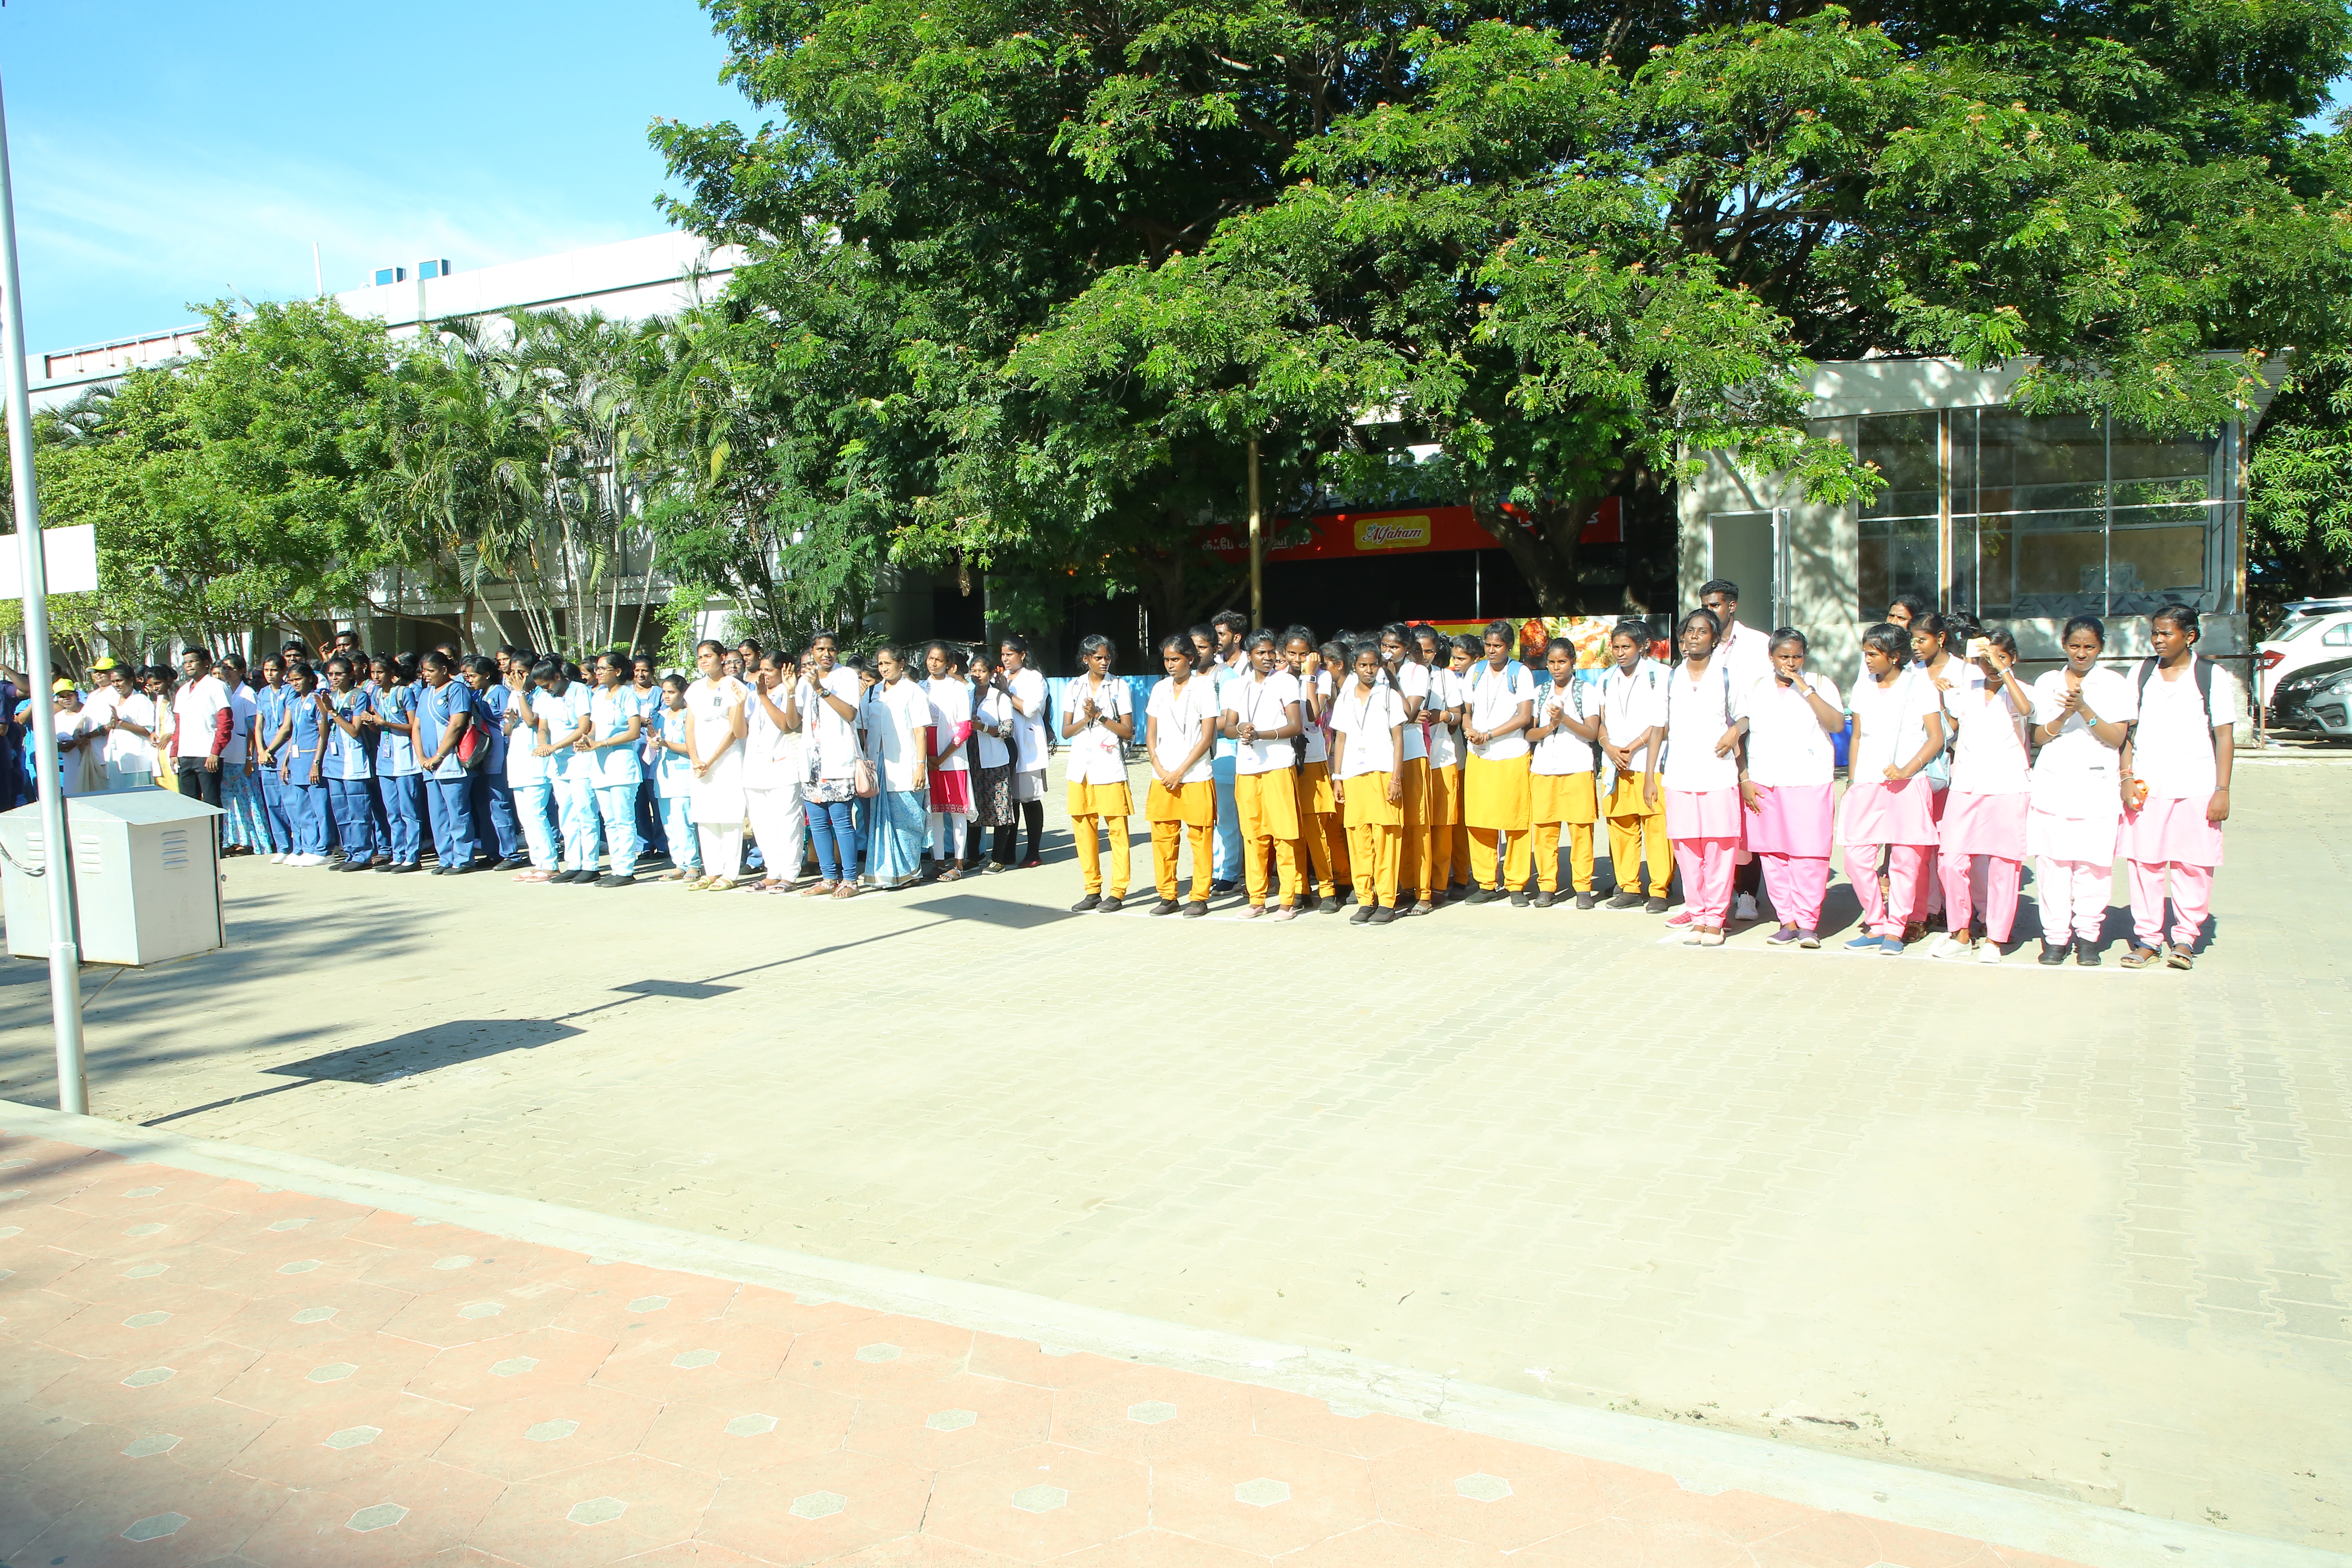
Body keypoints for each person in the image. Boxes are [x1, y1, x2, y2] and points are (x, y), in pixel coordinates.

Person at [2119, 604, 2236, 970]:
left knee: (2194, 866)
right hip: (2147, 787)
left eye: (2166, 633)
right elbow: (2126, 732)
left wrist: (2223, 789)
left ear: (2190, 636)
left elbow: (2225, 735)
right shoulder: (2141, 673)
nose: (2158, 640)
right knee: (2145, 865)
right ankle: (2148, 939)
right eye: (2155, 633)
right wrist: (2125, 778)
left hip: (2197, 787)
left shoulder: (2211, 675)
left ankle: (2186, 938)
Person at [2027, 615, 2134, 966]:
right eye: (2075, 646)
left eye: (2090, 647)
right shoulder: (2047, 682)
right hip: (2053, 785)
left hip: (2097, 788)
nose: (2082, 653)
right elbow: (2038, 737)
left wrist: (2085, 710)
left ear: (2101, 647)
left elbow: (2117, 738)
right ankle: (2056, 938)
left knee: (2094, 866)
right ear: (2064, 645)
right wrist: (2062, 715)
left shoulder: (2114, 683)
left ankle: (2088, 936)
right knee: (2054, 865)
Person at [1840, 622, 1946, 954]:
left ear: (1895, 656)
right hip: (1869, 783)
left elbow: (1936, 738)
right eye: (1866, 653)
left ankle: (1895, 930)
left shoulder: (1921, 687)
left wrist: (1906, 770)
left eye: (1874, 654)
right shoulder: (1862, 687)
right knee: (1856, 857)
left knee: (1906, 862)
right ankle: (1876, 923)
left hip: (1909, 784)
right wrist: (1853, 780)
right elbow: (1856, 736)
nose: (1868, 660)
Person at [1931, 627, 2033, 964]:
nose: (1992, 664)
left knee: (2005, 864)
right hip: (1967, 785)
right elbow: (1953, 727)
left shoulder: (2022, 691)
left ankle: (1995, 938)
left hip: (2008, 786)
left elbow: (2027, 709)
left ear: (2013, 658)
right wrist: (1943, 697)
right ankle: (1960, 932)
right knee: (1951, 860)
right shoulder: (1967, 691)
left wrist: (2003, 671)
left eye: (2001, 657)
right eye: (1987, 657)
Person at [1740, 630, 1843, 947]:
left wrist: (1805, 688)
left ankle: (1809, 923)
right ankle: (1787, 921)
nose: (1790, 663)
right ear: (1771, 656)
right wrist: (1745, 779)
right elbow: (1742, 733)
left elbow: (1836, 724)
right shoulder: (1756, 687)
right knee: (1773, 855)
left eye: (1796, 656)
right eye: (1783, 657)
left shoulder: (1821, 684)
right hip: (1765, 782)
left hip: (1808, 780)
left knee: (1809, 854)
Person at [1659, 610, 1745, 945]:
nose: (1695, 636)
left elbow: (1745, 717)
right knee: (1687, 850)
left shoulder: (1726, 675)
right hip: (1679, 775)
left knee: (1720, 848)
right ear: (1683, 639)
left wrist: (1735, 732)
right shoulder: (1671, 678)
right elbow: (1657, 728)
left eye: (1703, 631)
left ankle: (1716, 919)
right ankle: (1697, 916)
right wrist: (1654, 776)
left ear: (1715, 638)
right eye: (1690, 631)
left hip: (1719, 774)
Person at [1329, 639, 1408, 923]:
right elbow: (1340, 739)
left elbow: (1399, 739)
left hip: (1384, 772)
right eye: (1363, 665)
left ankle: (1387, 901)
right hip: (1353, 774)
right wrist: (1337, 778)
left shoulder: (1388, 697)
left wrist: (1397, 778)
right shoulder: (1345, 697)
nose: (1369, 670)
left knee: (1386, 837)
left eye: (1374, 665)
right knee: (1358, 837)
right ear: (1354, 666)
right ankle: (1365, 900)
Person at [1143, 632, 1220, 915]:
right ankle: (1168, 895)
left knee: (1200, 836)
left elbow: (1207, 737)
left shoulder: (1204, 688)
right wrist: (1160, 767)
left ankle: (1199, 896)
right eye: (1166, 660)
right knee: (1163, 836)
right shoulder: (1160, 689)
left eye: (1176, 659)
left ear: (1191, 658)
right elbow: (1150, 733)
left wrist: (1181, 771)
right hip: (1162, 774)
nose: (1170, 665)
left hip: (1196, 774)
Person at [1461, 619, 1536, 904]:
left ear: (1509, 647)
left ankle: (1517, 885)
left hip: (1512, 753)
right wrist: (1471, 730)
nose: (1492, 651)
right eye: (1488, 645)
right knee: (1480, 820)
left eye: (1498, 646)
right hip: (1479, 754)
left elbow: (1524, 716)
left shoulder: (1521, 673)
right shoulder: (1475, 672)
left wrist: (1489, 734)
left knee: (1515, 820)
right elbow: (1466, 710)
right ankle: (1486, 883)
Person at [1598, 622, 1670, 911]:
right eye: (1616, 647)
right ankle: (1629, 886)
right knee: (1621, 825)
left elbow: (1663, 722)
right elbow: (1602, 721)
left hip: (1648, 762)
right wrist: (1609, 747)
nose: (1620, 653)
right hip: (1616, 763)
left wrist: (1634, 746)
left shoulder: (1661, 675)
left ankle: (1660, 889)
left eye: (1626, 647)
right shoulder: (1606, 678)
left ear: (1643, 647)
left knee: (1655, 825)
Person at [1526, 637, 1602, 909]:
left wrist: (1564, 719)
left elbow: (1592, 733)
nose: (1557, 668)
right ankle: (1547, 885)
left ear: (1573, 662)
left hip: (1578, 767)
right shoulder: (1541, 692)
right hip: (1544, 768)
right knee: (1545, 830)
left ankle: (1583, 887)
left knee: (1581, 829)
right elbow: (1530, 733)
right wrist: (1549, 728)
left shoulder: (1586, 691)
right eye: (1552, 662)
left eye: (1562, 662)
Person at [1062, 634, 1135, 911]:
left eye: (1107, 657)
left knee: (1117, 830)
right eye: (1098, 658)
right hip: (1081, 768)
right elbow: (1066, 731)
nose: (1104, 662)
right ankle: (1092, 889)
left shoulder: (1119, 686)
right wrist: (1087, 717)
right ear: (1086, 659)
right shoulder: (1074, 687)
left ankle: (1118, 891)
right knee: (1084, 829)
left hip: (1109, 767)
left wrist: (1101, 717)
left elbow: (1127, 731)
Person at [862, 642, 933, 891]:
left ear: (901, 665)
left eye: (888, 664)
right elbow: (864, 727)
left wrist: (920, 766)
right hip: (879, 766)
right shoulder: (873, 692)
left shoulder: (913, 691)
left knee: (909, 819)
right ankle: (885, 873)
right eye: (880, 664)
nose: (883, 669)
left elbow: (920, 731)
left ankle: (910, 872)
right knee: (882, 821)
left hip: (907, 764)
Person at [575, 651, 647, 888]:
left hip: (621, 763)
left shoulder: (627, 694)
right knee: (610, 821)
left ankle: (626, 869)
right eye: (597, 669)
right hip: (600, 765)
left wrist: (602, 743)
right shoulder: (598, 696)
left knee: (624, 818)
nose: (598, 673)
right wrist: (587, 740)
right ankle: (616, 867)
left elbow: (634, 732)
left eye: (603, 669)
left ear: (617, 672)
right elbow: (594, 729)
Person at [1376, 623, 1435, 912]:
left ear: (1407, 648)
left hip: (1411, 753)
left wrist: (1390, 677)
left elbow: (1409, 712)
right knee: (1392, 823)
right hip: (1382, 756)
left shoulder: (1417, 672)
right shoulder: (1371, 670)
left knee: (1418, 823)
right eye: (1385, 645)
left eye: (1394, 647)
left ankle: (1424, 892)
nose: (1388, 652)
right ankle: (1402, 884)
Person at [802, 631, 864, 898]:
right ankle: (828, 877)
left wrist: (820, 689)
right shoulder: (805, 678)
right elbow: (794, 722)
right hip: (811, 763)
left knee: (841, 821)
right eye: (820, 649)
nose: (826, 654)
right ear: (812, 652)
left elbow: (850, 713)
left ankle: (850, 879)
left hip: (838, 760)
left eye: (831, 649)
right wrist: (794, 689)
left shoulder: (846, 676)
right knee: (817, 824)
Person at [742, 650, 806, 894]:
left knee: (788, 823)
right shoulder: (752, 696)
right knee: (762, 824)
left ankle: (789, 875)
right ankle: (772, 872)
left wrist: (763, 696)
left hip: (783, 767)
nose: (764, 675)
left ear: (784, 670)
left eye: (769, 670)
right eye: (762, 670)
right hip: (755, 768)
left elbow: (787, 723)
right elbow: (742, 730)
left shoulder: (793, 691)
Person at [412, 649, 481, 875]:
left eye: (431, 671)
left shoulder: (456, 690)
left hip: (451, 762)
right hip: (429, 765)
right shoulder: (425, 693)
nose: (427, 675)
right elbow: (417, 726)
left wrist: (438, 756)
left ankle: (463, 859)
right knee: (438, 814)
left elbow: (457, 725)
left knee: (457, 812)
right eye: (424, 671)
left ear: (444, 669)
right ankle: (445, 857)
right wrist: (422, 757)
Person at [458, 656, 526, 870]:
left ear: (487, 675)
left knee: (500, 803)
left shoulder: (499, 692)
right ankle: (493, 851)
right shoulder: (477, 693)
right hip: (483, 751)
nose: (470, 680)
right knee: (485, 804)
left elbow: (509, 722)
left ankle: (511, 853)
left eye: (474, 676)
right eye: (467, 676)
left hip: (500, 748)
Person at [1413, 624, 1463, 905]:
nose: (1424, 656)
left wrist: (1443, 716)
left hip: (1442, 759)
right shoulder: (1401, 677)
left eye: (1430, 651)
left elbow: (1458, 716)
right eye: (1419, 651)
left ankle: (1440, 885)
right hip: (1412, 760)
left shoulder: (1446, 677)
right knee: (1415, 827)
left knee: (1442, 827)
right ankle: (1414, 885)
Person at [319, 657, 381, 871]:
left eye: (339, 674)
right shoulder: (330, 696)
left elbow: (355, 730)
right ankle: (349, 851)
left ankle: (363, 853)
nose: (334, 679)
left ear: (351, 675)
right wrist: (324, 711)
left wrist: (333, 712)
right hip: (334, 760)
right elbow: (325, 733)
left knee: (359, 810)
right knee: (341, 811)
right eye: (331, 674)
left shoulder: (359, 696)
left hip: (354, 759)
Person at [364, 655, 425, 872]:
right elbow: (379, 729)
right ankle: (397, 854)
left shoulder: (404, 692)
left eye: (380, 672)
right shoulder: (376, 694)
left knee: (410, 810)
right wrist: (371, 723)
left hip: (406, 758)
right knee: (392, 812)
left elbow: (413, 727)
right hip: (386, 760)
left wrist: (384, 722)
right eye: (373, 673)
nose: (376, 677)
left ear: (392, 673)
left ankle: (412, 856)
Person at [501, 657, 558, 883]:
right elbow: (508, 729)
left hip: (536, 762)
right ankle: (538, 863)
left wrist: (520, 694)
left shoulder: (542, 695)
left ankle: (550, 863)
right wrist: (510, 721)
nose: (516, 677)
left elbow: (532, 720)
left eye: (522, 672)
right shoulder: (514, 694)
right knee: (525, 815)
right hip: (517, 760)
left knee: (536, 813)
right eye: (513, 672)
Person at [269, 660, 331, 866]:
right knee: (303, 807)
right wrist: (286, 760)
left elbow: (323, 734)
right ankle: (309, 846)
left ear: (311, 679)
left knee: (319, 807)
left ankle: (324, 848)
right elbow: (293, 734)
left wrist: (317, 761)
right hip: (296, 760)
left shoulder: (316, 701)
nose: (295, 683)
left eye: (299, 679)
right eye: (292, 680)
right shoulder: (295, 703)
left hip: (312, 758)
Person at [996, 635, 1050, 868]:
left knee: (1030, 800)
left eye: (1010, 655)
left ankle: (1033, 852)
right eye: (1003, 655)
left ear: (1023, 656)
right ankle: (1009, 850)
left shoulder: (1035, 678)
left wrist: (1007, 693)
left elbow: (1031, 709)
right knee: (1011, 801)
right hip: (1006, 748)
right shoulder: (1001, 678)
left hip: (1028, 747)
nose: (1006, 659)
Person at [1206, 608, 1250, 891]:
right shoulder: (1212, 669)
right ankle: (1217, 868)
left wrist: (1203, 726)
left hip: (1236, 749)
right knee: (1215, 816)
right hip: (1210, 752)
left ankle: (1230, 871)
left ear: (1237, 636)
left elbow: (1231, 718)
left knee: (1230, 817)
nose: (1217, 640)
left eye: (1221, 634)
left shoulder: (1243, 669)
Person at [921, 641, 973, 881]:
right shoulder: (921, 688)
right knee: (936, 813)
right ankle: (939, 861)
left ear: (948, 664)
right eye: (930, 658)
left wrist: (941, 757)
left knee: (957, 813)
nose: (933, 664)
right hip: (928, 760)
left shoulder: (957, 688)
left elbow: (964, 728)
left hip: (953, 760)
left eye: (939, 660)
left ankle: (959, 863)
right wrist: (926, 759)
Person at [964, 646, 1017, 874]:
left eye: (982, 670)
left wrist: (984, 727)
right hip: (971, 759)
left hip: (995, 761)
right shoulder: (966, 696)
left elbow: (1008, 729)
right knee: (974, 808)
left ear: (990, 674)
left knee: (1000, 808)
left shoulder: (999, 697)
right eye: (974, 671)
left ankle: (998, 859)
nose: (978, 675)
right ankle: (973, 856)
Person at [646, 674, 702, 884]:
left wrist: (665, 744)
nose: (667, 696)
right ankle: (679, 863)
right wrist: (654, 742)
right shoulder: (660, 716)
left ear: (683, 693)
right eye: (664, 692)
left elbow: (691, 747)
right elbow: (655, 741)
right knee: (668, 821)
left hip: (683, 774)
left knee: (683, 820)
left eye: (672, 692)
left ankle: (693, 864)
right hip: (663, 774)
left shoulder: (690, 715)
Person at [218, 656, 266, 856]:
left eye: (231, 669)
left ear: (241, 671)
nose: (227, 672)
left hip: (243, 755)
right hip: (226, 754)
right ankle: (235, 839)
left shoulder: (248, 694)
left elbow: (252, 728)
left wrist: (250, 758)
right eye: (224, 669)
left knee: (248, 799)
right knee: (230, 801)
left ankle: (255, 841)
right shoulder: (224, 691)